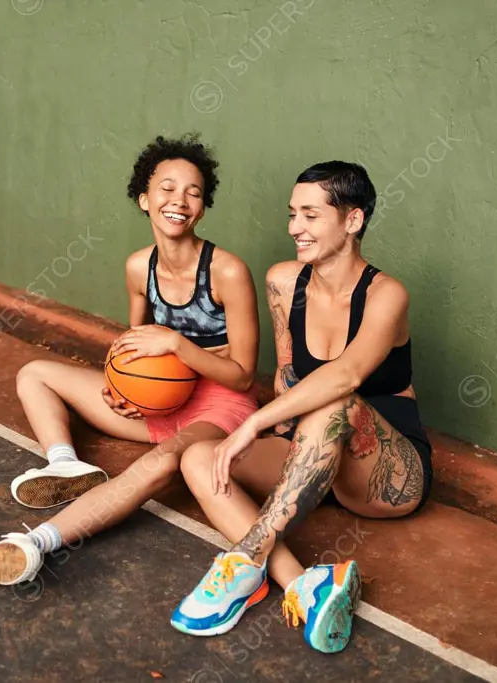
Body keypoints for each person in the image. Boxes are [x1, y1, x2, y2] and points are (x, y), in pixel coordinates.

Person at [0, 133, 263, 587]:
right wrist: (120, 389)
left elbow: (242, 377)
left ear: (203, 207)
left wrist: (178, 345)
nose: (179, 200)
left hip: (218, 408)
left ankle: (33, 544)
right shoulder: (137, 267)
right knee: (35, 374)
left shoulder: (226, 271)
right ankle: (65, 463)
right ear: (144, 199)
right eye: (166, 188)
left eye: (193, 192)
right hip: (163, 404)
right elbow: (132, 346)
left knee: (159, 463)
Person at [168, 161, 434, 655]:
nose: (295, 228)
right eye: (293, 214)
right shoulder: (284, 282)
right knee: (198, 458)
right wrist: (268, 433)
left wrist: (254, 422)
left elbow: (346, 376)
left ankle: (245, 561)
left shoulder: (386, 294)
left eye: (310, 216)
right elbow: (289, 376)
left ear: (352, 221)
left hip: (386, 476)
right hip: (313, 461)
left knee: (337, 403)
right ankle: (302, 584)